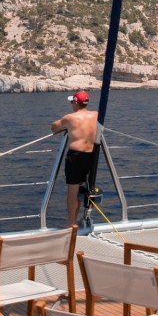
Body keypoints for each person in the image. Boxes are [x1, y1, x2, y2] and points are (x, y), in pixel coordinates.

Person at [50, 90, 98, 229]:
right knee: (87, 187)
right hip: (91, 157)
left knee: (73, 191)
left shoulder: (69, 118)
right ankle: (84, 218)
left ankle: (71, 222)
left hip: (75, 158)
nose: (72, 104)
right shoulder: (96, 115)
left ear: (76, 103)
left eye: (72, 102)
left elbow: (53, 127)